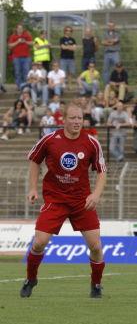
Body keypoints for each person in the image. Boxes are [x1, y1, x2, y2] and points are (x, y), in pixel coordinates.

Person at [21, 100, 107, 298]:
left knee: (95, 246)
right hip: (55, 199)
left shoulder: (91, 142)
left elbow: (102, 171)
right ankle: (30, 279)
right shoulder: (50, 139)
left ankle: (96, 284)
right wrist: (33, 188)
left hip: (81, 201)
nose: (77, 122)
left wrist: (96, 194)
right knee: (38, 243)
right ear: (64, 119)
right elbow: (34, 160)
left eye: (80, 118)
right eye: (73, 118)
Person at [8, 24, 33, 90]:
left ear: (23, 29)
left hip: (26, 57)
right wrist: (17, 41)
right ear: (16, 29)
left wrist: (25, 41)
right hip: (16, 57)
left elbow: (32, 43)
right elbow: (10, 46)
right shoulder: (13, 36)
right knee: (17, 72)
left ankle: (26, 85)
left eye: (21, 28)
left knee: (26, 71)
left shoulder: (26, 35)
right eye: (19, 28)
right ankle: (19, 86)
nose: (20, 29)